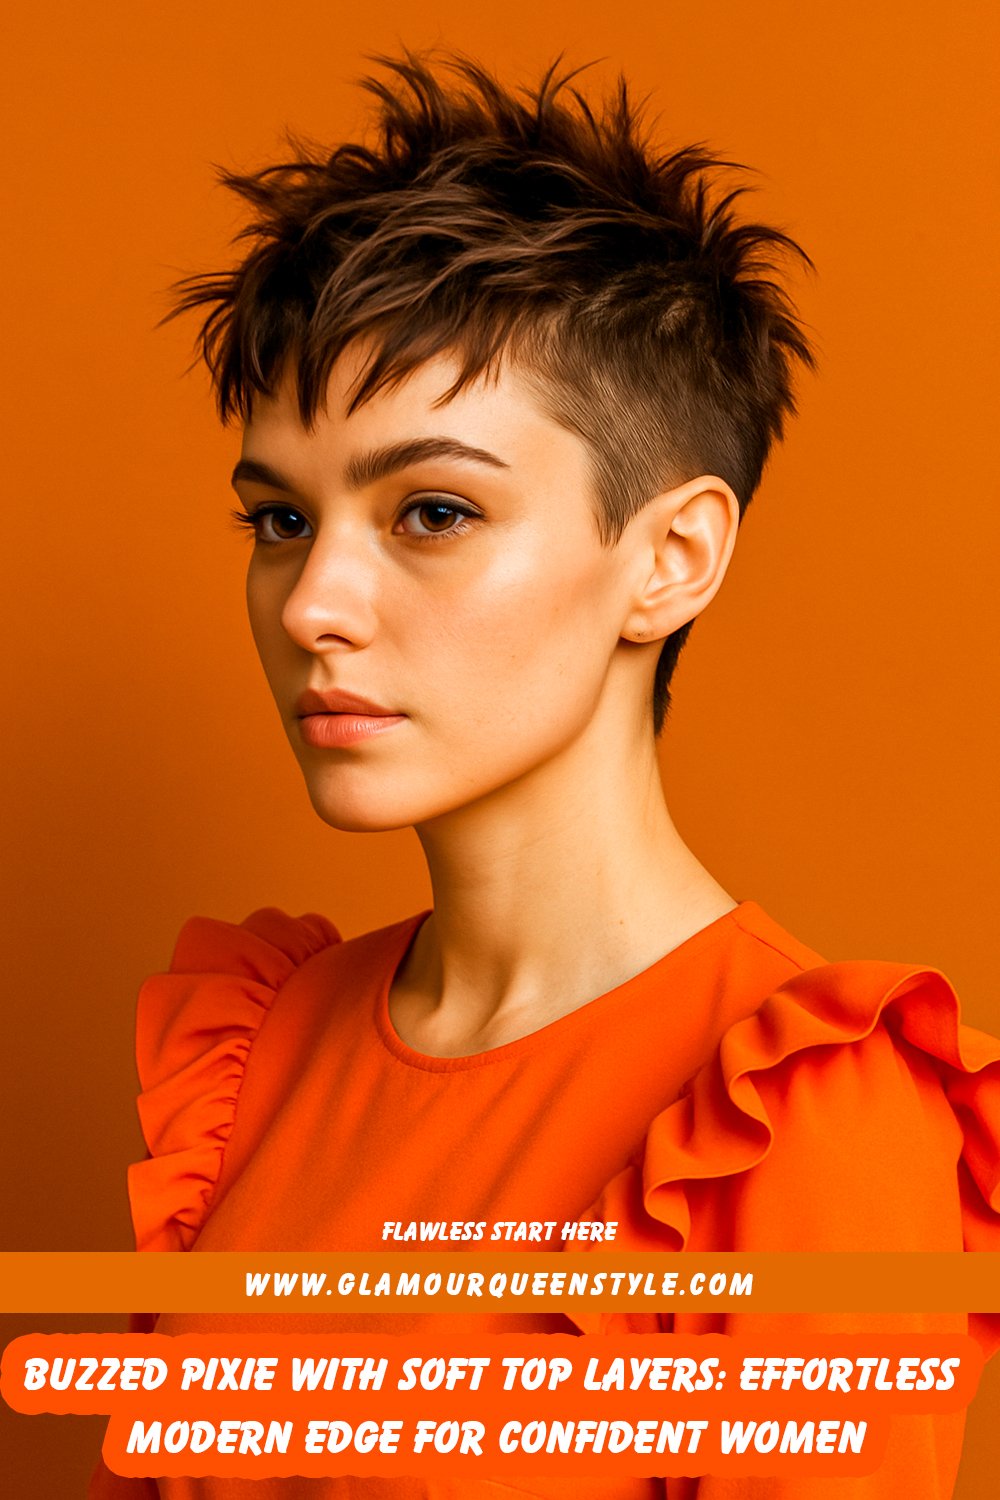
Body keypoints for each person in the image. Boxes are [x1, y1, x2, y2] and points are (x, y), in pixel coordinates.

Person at [89, 46, 1000, 1500]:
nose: (315, 602)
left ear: (671, 558)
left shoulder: (802, 1109)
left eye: (432, 510)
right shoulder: (255, 1055)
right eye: (277, 520)